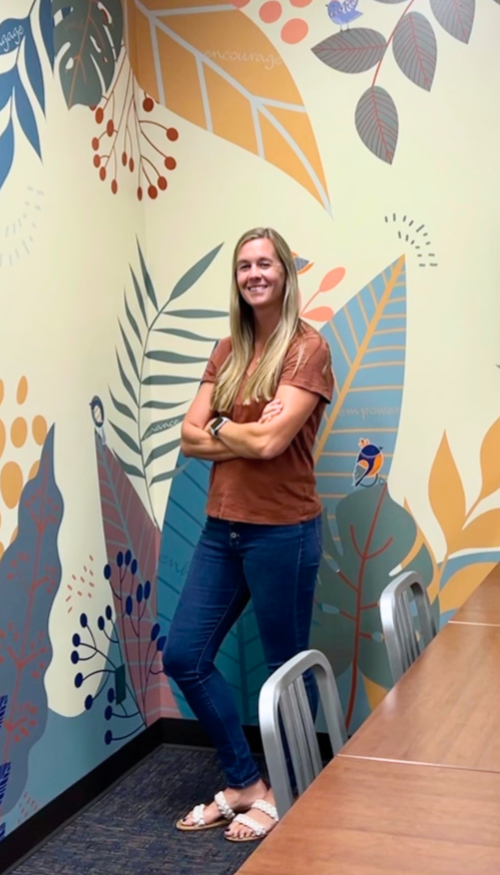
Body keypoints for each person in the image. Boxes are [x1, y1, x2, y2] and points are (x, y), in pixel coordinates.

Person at [166, 226, 333, 843]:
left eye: (265, 263)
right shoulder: (227, 349)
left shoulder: (306, 349)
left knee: (281, 671)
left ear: (285, 273)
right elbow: (188, 437)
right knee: (185, 654)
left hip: (283, 533)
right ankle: (244, 783)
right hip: (222, 530)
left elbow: (270, 442)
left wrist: (221, 426)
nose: (254, 274)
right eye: (244, 265)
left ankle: (287, 793)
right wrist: (237, 429)